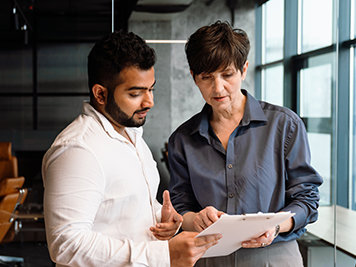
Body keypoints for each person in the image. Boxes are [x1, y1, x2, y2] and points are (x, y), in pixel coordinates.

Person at [42, 30, 221, 267]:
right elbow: (66, 243)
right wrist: (163, 254)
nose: (149, 102)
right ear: (100, 94)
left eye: (151, 89)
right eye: (135, 93)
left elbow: (122, 209)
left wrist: (168, 219)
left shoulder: (132, 134)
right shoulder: (78, 150)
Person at [168, 21, 323, 266]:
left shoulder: (284, 125)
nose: (217, 87)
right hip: (209, 258)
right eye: (206, 77)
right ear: (194, 78)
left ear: (243, 70)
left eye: (227, 75)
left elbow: (307, 198)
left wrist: (275, 226)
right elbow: (180, 204)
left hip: (274, 256)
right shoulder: (182, 139)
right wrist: (193, 219)